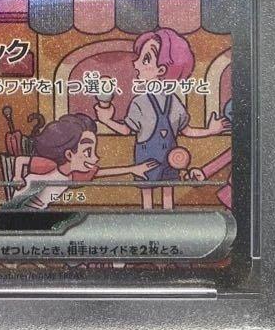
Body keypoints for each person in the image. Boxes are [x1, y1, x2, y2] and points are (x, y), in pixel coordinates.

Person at [94, 28, 230, 210]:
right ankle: (166, 221)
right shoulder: (172, 101)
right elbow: (188, 131)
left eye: (145, 59)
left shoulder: (142, 102)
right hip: (155, 159)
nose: (136, 63)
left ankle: (155, 222)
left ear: (161, 70)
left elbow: (126, 130)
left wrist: (106, 120)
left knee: (152, 196)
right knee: (164, 195)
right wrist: (210, 131)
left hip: (164, 158)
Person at [8, 113, 155, 210]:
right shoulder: (48, 166)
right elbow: (21, 160)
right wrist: (17, 177)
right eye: (88, 151)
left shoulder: (71, 176)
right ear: (69, 154)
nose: (95, 158)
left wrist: (132, 169)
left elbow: (101, 173)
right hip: (18, 210)